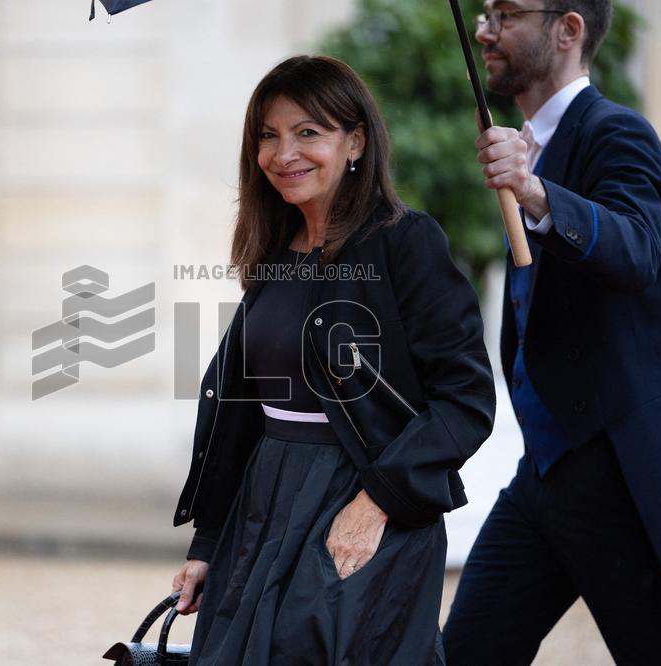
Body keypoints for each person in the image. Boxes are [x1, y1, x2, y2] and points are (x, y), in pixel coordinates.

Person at [170, 55, 496, 665]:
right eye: (267, 136)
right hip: (262, 507)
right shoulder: (271, 250)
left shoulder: (406, 240)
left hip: (366, 503)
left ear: (356, 141)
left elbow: (465, 400)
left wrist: (377, 502)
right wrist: (209, 541)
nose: (282, 153)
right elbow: (242, 410)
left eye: (307, 132)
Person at [442, 2, 661, 664]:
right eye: (483, 12)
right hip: (546, 474)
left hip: (624, 472)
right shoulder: (528, 145)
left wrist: (536, 194)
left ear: (569, 29)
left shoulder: (619, 135)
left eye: (507, 13)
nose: (484, 30)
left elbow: (637, 249)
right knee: (466, 651)